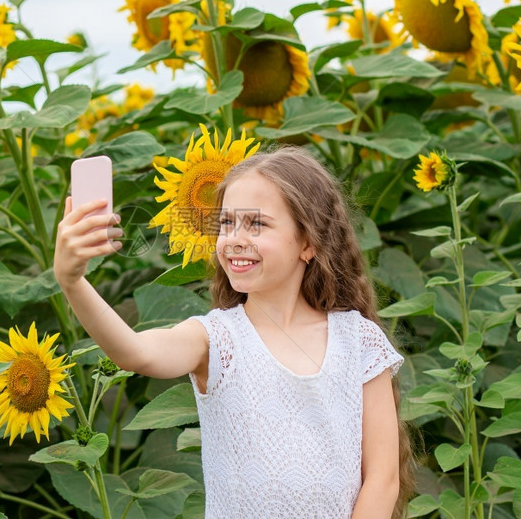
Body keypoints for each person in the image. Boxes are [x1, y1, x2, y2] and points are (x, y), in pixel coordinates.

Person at [54, 144, 415, 519]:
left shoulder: (358, 341)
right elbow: (136, 352)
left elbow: (383, 477)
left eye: (256, 224)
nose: (234, 238)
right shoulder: (217, 340)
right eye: (226, 223)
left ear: (309, 243)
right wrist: (73, 281)